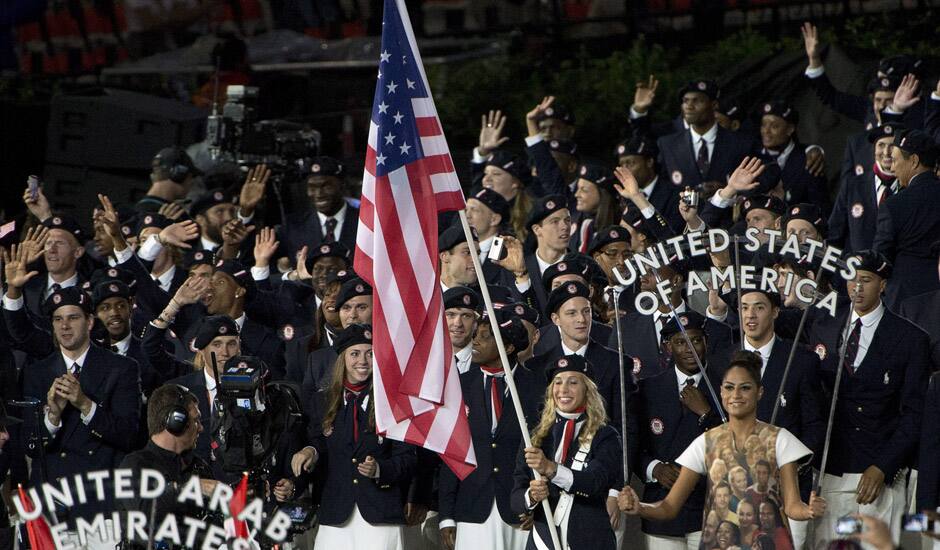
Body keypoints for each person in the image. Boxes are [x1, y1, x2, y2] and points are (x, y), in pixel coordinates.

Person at [618, 351, 827, 550]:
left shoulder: (780, 439)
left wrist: (808, 510)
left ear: (760, 392)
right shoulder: (706, 442)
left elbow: (792, 506)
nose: (735, 395)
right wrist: (640, 507)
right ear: (721, 391)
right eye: (729, 387)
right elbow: (669, 507)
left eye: (745, 388)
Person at [20, 287, 141, 543]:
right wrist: (52, 417)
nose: (65, 326)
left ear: (89, 322)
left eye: (73, 317)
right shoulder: (36, 373)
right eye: (57, 319)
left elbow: (129, 435)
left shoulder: (121, 368)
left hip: (99, 505)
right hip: (51, 507)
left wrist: (85, 404)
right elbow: (29, 446)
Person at [291, 324, 416, 550]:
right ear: (342, 358)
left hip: (380, 513)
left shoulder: (393, 402)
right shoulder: (324, 401)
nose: (363, 361)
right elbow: (320, 443)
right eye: (355, 353)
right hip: (336, 512)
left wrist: (380, 469)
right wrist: (311, 451)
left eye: (370, 353)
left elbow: (407, 458)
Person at [438, 316, 540, 550]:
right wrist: (446, 516)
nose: (476, 341)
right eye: (476, 335)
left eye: (485, 336)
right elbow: (450, 454)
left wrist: (538, 505)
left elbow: (545, 450)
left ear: (508, 347)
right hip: (472, 508)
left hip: (521, 512)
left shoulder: (536, 387)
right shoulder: (458, 386)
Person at [510, 354, 623, 550]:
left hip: (589, 539)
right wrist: (532, 496)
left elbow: (595, 482)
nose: (563, 390)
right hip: (542, 540)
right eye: (558, 382)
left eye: (573, 383)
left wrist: (551, 469)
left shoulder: (606, 436)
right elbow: (516, 497)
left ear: (587, 389)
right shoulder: (535, 437)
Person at [636, 312, 722, 550]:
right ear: (668, 347)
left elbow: (736, 444)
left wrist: (706, 413)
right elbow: (635, 445)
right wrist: (655, 468)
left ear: (705, 342)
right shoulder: (648, 388)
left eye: (695, 340)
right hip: (661, 502)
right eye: (680, 342)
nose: (689, 349)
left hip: (709, 506)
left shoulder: (724, 387)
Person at [117, 384, 219, 548]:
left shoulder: (198, 467)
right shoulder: (134, 465)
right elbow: (144, 511)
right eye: (196, 420)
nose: (201, 428)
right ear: (175, 422)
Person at [873, 128, 940, 307]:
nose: (892, 167)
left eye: (895, 160)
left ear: (914, 161)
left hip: (904, 299)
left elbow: (880, 258)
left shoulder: (894, 204)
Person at [828, 124, 899, 255]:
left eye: (893, 146)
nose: (886, 152)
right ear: (873, 150)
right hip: (857, 269)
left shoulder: (909, 186)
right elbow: (835, 232)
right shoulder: (852, 185)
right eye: (881, 145)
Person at [277, 156, 360, 258]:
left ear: (342, 185)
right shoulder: (292, 226)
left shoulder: (366, 223)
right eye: (312, 187)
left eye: (326, 186)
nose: (319, 194)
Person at [136, 147, 200, 214]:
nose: (190, 183)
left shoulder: (142, 209)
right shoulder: (162, 215)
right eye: (190, 177)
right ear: (179, 175)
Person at [444, 286, 481, 375]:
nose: (458, 324)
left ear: (475, 323)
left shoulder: (486, 360)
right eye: (451, 315)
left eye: (466, 316)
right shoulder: (424, 358)